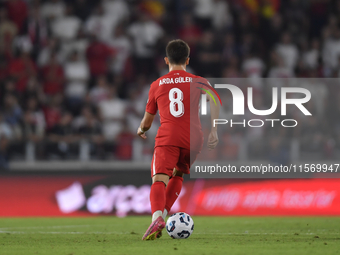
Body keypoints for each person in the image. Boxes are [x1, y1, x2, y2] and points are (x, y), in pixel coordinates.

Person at [137, 39, 219, 240]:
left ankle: (157, 216)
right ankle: (163, 215)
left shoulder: (157, 85)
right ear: (187, 60)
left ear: (166, 60)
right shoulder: (199, 81)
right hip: (194, 138)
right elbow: (215, 99)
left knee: (159, 179)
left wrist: (141, 129)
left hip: (169, 136)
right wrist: (214, 130)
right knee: (178, 174)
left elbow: (148, 121)